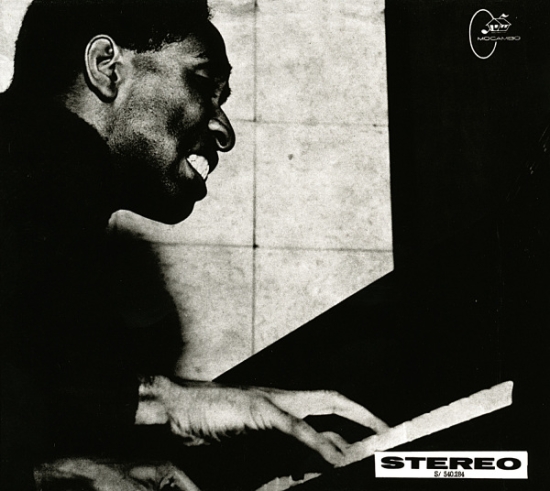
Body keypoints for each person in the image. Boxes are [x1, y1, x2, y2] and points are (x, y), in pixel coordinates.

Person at [0, 1, 387, 489]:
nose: (224, 132)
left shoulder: (41, 200)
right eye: (204, 84)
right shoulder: (33, 193)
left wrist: (171, 403)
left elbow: (41, 388)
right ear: (106, 67)